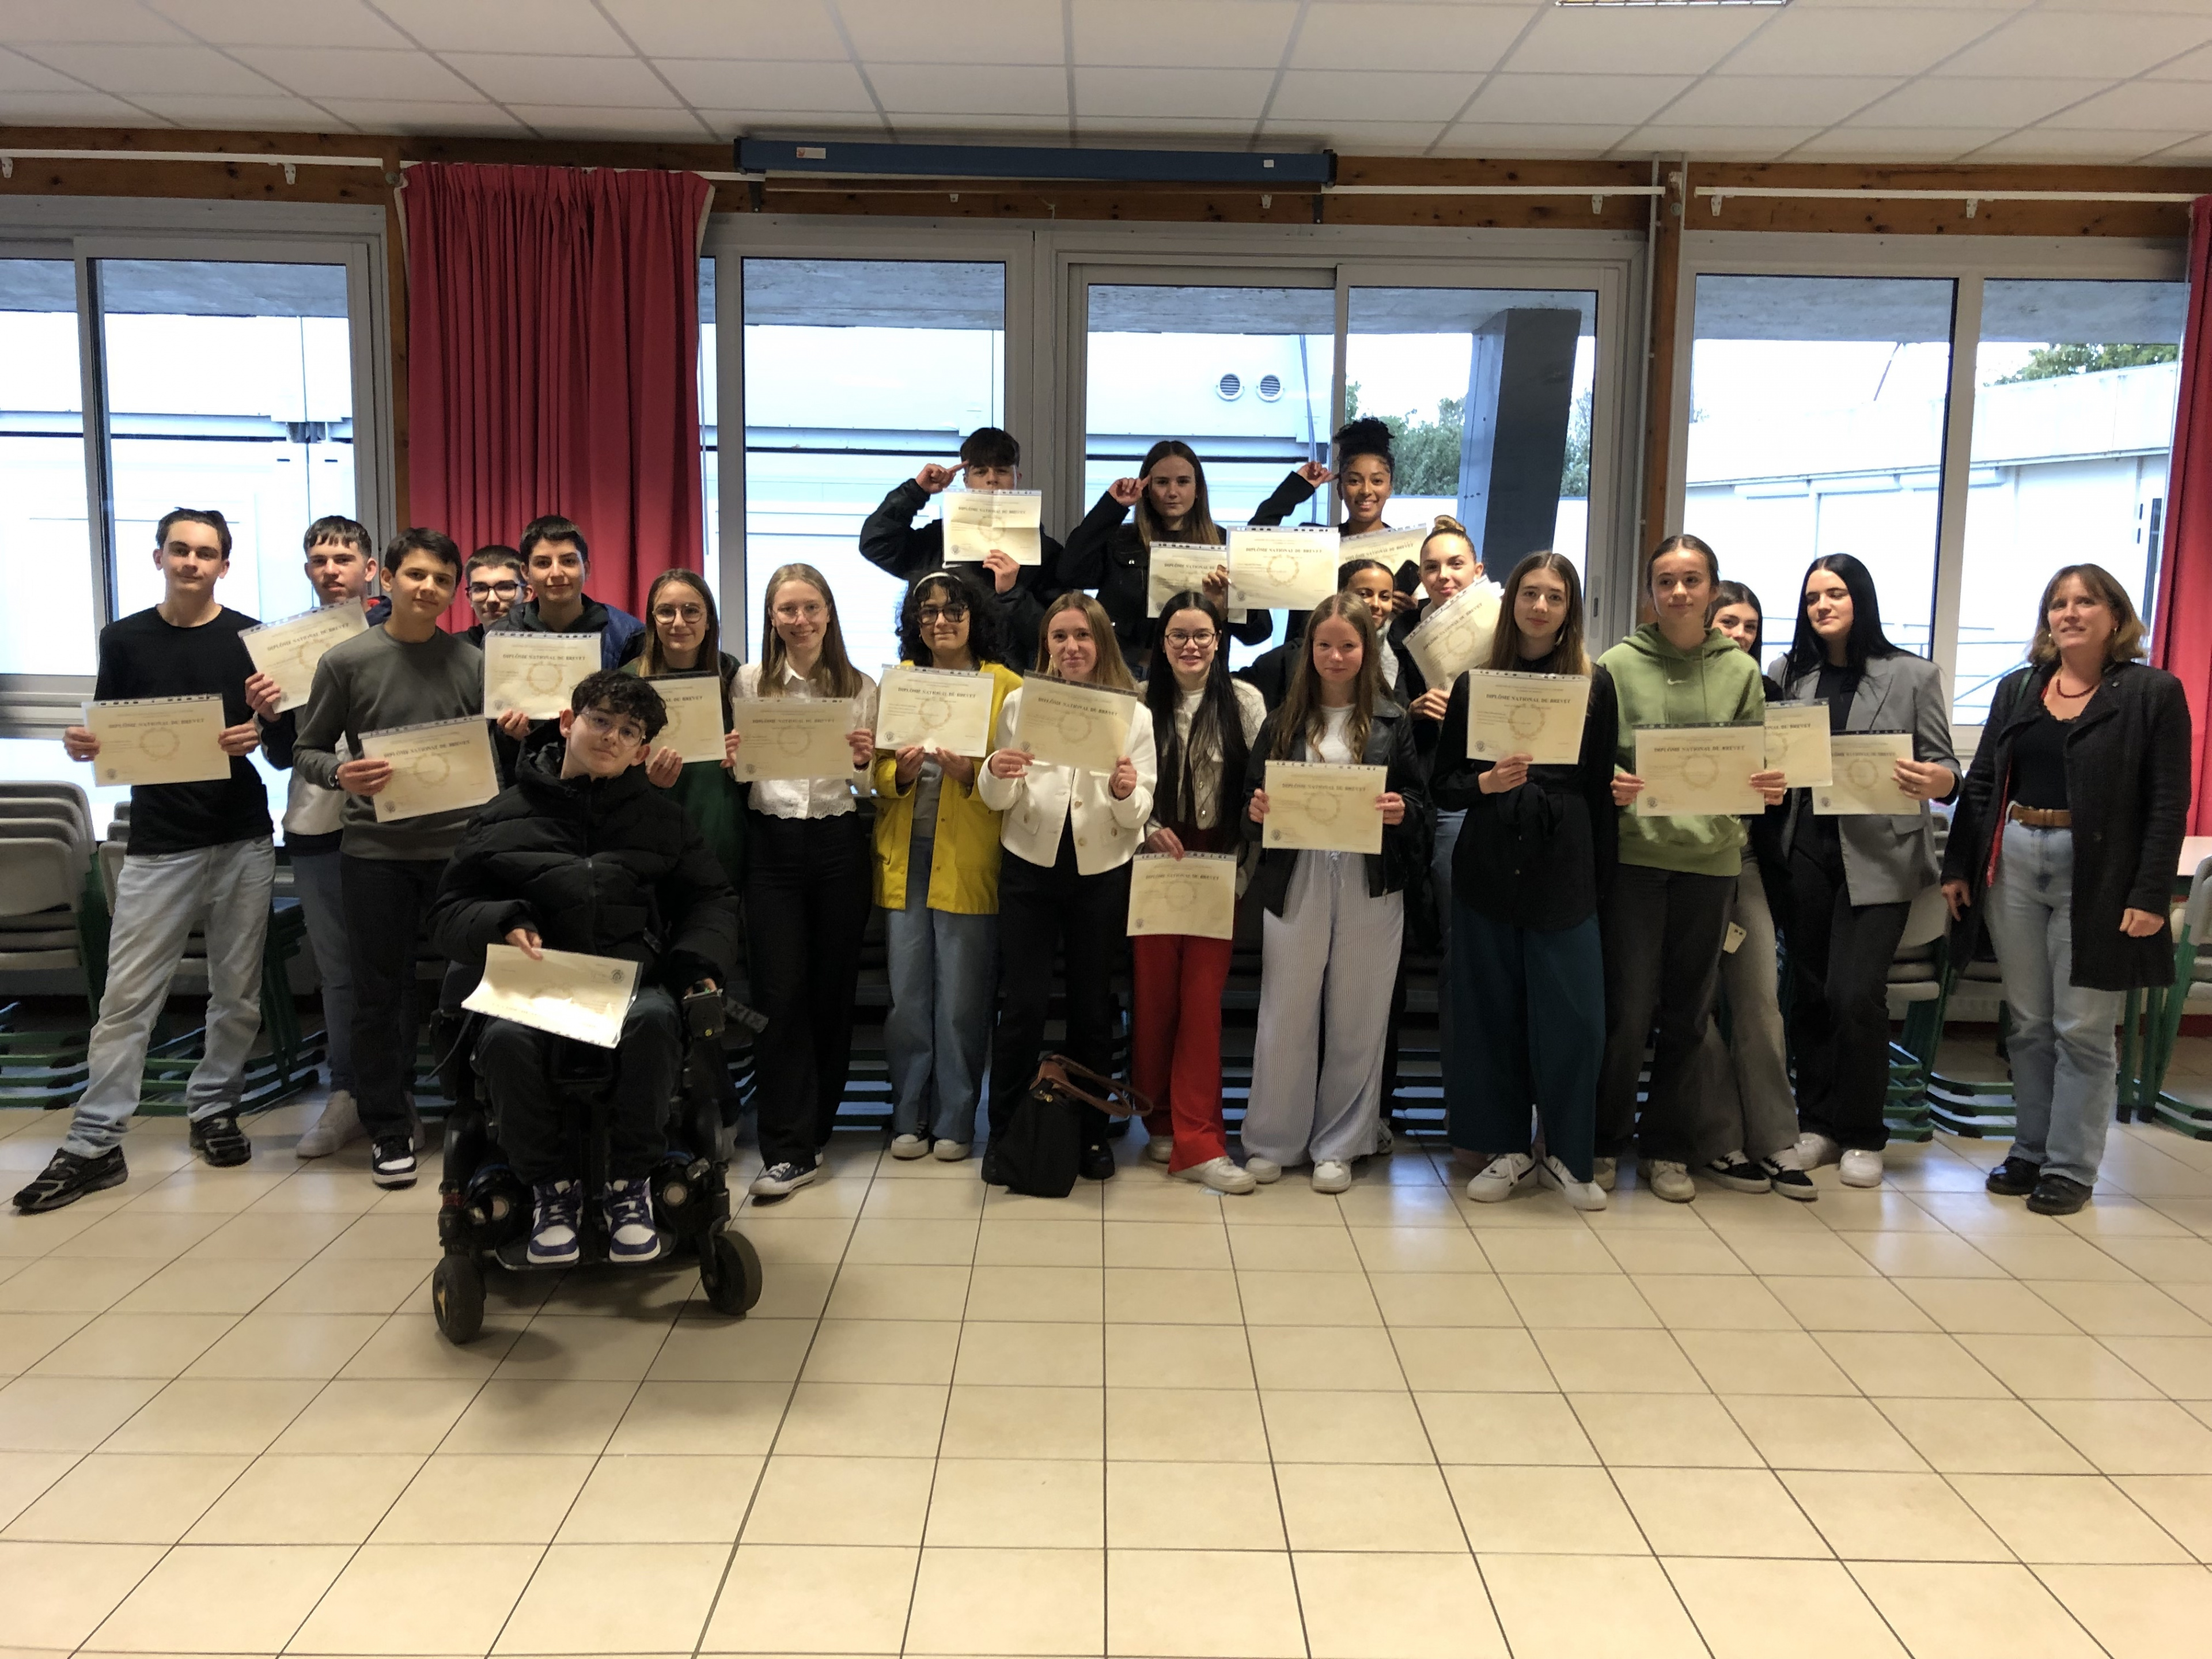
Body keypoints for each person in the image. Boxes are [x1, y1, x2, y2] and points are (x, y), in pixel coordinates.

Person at [14, 510, 283, 1213]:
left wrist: (261, 729)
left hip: (242, 836)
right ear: (159, 557)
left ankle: (214, 1108)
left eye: (206, 553)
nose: (192, 562)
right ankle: (94, 1142)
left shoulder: (251, 639)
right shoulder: (124, 638)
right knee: (128, 999)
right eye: (180, 550)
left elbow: (280, 742)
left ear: (225, 566)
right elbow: (112, 730)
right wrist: (84, 744)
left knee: (237, 992)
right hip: (159, 841)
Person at [1943, 565, 2191, 1216]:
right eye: (2058, 603)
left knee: (2082, 1027)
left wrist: (2150, 894)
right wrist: (1958, 867)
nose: (2070, 613)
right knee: (2028, 1024)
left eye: (2086, 602)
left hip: (2100, 871)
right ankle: (2029, 1151)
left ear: (2117, 617)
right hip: (2016, 860)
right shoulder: (2020, 687)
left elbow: (2168, 802)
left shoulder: (2152, 693)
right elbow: (1983, 779)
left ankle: (2070, 1167)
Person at [294, 528, 500, 1190]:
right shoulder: (346, 661)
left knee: (482, 978)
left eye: (441, 579)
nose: (428, 588)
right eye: (415, 575)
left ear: (454, 590)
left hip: (458, 852)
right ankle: (388, 1124)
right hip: (375, 853)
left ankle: (479, 1110)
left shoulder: (472, 663)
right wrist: (341, 773)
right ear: (387, 578)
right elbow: (306, 750)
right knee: (380, 993)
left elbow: (489, 756)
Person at [1597, 534, 1783, 1202]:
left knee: (1688, 1013)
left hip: (1712, 861)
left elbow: (1755, 759)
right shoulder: (1614, 666)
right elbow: (1593, 757)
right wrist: (1611, 780)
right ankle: (1604, 1140)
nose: (1678, 592)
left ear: (1711, 590)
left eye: (1692, 580)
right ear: (1649, 592)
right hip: (1636, 858)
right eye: (1666, 581)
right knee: (1626, 1012)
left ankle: (1666, 1148)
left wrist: (1766, 784)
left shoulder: (1740, 672)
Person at [1431, 553, 1614, 1210]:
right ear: (1511, 602)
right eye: (1530, 594)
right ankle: (1504, 1148)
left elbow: (1600, 791)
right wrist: (1486, 782)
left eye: (1555, 597)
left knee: (1576, 1019)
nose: (1540, 607)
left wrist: (1603, 884)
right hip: (1488, 865)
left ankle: (1566, 1153)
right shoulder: (1476, 684)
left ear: (1570, 610)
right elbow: (1444, 783)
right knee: (1490, 1014)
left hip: (1565, 868)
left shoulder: (1595, 686)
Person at [1776, 555, 1959, 1191]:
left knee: (1855, 994)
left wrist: (1938, 781)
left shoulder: (1913, 674)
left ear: (1861, 599)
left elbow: (1946, 767)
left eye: (1835, 594)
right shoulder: (1790, 674)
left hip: (1881, 855)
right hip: (1806, 851)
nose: (1822, 606)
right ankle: (1818, 1125)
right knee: (1810, 992)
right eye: (1812, 598)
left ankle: (1863, 1133)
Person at [1240, 594, 1431, 1192]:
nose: (1336, 656)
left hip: (1370, 880)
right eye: (1324, 645)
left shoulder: (1393, 721)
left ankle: (1341, 1144)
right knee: (1286, 1011)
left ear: (1367, 650)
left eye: (1348, 645)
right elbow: (1248, 806)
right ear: (1309, 651)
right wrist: (1257, 811)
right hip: (1295, 875)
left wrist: (1402, 810)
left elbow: (1421, 804)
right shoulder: (1282, 721)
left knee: (1359, 1014)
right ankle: (1274, 1139)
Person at [979, 592, 1157, 1184]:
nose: (1071, 647)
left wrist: (1126, 792)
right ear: (1046, 645)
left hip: (1100, 868)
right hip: (1030, 863)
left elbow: (1139, 812)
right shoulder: (1022, 703)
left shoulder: (1134, 714)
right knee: (1023, 1005)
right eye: (1059, 636)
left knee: (1091, 1007)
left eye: (1082, 635)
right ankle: (1006, 1133)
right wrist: (996, 772)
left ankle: (1091, 1134)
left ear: (1101, 641)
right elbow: (997, 797)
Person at [735, 563, 878, 1199]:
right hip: (771, 845)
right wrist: (736, 760)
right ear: (772, 617)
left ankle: (814, 1131)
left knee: (831, 991)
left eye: (810, 607)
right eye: (787, 609)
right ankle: (786, 1147)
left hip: (838, 842)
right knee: (778, 993)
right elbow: (743, 772)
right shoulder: (748, 681)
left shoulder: (860, 685)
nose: (800, 620)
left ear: (828, 613)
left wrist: (864, 762)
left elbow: (870, 785)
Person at [872, 573, 1021, 1162]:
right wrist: (900, 773)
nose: (941, 621)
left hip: (969, 858)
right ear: (915, 622)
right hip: (906, 856)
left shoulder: (1005, 687)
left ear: (974, 616)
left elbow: (1021, 779)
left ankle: (956, 1121)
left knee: (962, 999)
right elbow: (876, 771)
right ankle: (907, 1116)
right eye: (928, 611)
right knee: (907, 997)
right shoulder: (901, 682)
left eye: (954, 610)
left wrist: (971, 774)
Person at [1135, 592, 1267, 1195]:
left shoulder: (1245, 701)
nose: (1191, 646)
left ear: (1219, 641)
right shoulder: (1138, 701)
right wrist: (1145, 827)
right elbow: (1119, 784)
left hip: (1219, 862)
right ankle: (1159, 1119)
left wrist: (1241, 867)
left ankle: (1200, 1140)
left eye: (1202, 635)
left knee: (1202, 1001)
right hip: (1154, 862)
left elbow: (1261, 788)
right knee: (1155, 998)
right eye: (1178, 635)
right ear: (1162, 643)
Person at [1693, 581, 1816, 1200]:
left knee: (1760, 1001)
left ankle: (1775, 1138)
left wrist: (1778, 788)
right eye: (1729, 623)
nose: (1740, 635)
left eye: (1750, 626)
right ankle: (1720, 1137)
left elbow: (1789, 792)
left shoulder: (1773, 697)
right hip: (1679, 861)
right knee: (1694, 1007)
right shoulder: (1683, 687)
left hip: (1744, 860)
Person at [284, 515, 389, 1160]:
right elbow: (283, 753)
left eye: (344, 559)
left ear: (370, 570)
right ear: (308, 571)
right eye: (320, 560)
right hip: (317, 825)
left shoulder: (404, 632)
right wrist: (266, 713)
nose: (332, 570)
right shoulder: (285, 646)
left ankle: (394, 1095)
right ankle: (346, 1093)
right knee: (339, 974)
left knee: (393, 968)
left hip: (396, 826)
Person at [859, 426, 1066, 664]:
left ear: (1016, 479)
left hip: (1011, 679)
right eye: (980, 471)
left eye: (1002, 470)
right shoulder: (937, 540)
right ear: (966, 480)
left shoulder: (1045, 552)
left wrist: (1012, 594)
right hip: (939, 675)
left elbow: (1053, 638)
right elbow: (876, 543)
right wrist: (916, 491)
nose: (992, 479)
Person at [1060, 440, 1272, 669]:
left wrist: (1227, 607)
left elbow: (1258, 632)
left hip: (1199, 676)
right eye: (1162, 482)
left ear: (1198, 489)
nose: (1172, 492)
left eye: (1183, 482)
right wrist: (1112, 506)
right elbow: (1069, 572)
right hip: (1125, 672)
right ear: (1147, 489)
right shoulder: (1120, 539)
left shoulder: (1226, 545)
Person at [625, 569, 747, 889]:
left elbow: (755, 757)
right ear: (653, 621)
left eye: (691, 611)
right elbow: (609, 769)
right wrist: (646, 780)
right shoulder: (627, 681)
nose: (678, 622)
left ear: (708, 621)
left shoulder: (732, 673)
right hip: (651, 830)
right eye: (666, 611)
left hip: (720, 825)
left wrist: (744, 757)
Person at [495, 514, 645, 671]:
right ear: (526, 573)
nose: (556, 573)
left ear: (586, 569)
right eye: (543, 563)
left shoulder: (629, 637)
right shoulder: (501, 635)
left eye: (568, 561)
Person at [461, 546, 527, 646]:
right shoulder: (454, 650)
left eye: (505, 588)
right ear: (470, 598)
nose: (492, 599)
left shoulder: (547, 645)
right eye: (480, 589)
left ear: (526, 594)